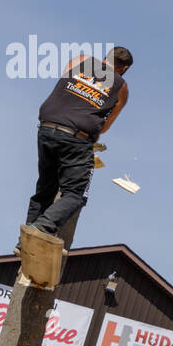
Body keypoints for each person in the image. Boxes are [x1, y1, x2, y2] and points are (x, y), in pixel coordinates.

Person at [26, 47, 132, 238]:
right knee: (76, 194)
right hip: (77, 136)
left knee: (45, 189)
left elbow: (65, 81)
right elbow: (105, 126)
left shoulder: (81, 60)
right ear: (123, 69)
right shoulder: (121, 87)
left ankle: (26, 239)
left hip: (47, 127)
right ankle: (42, 227)